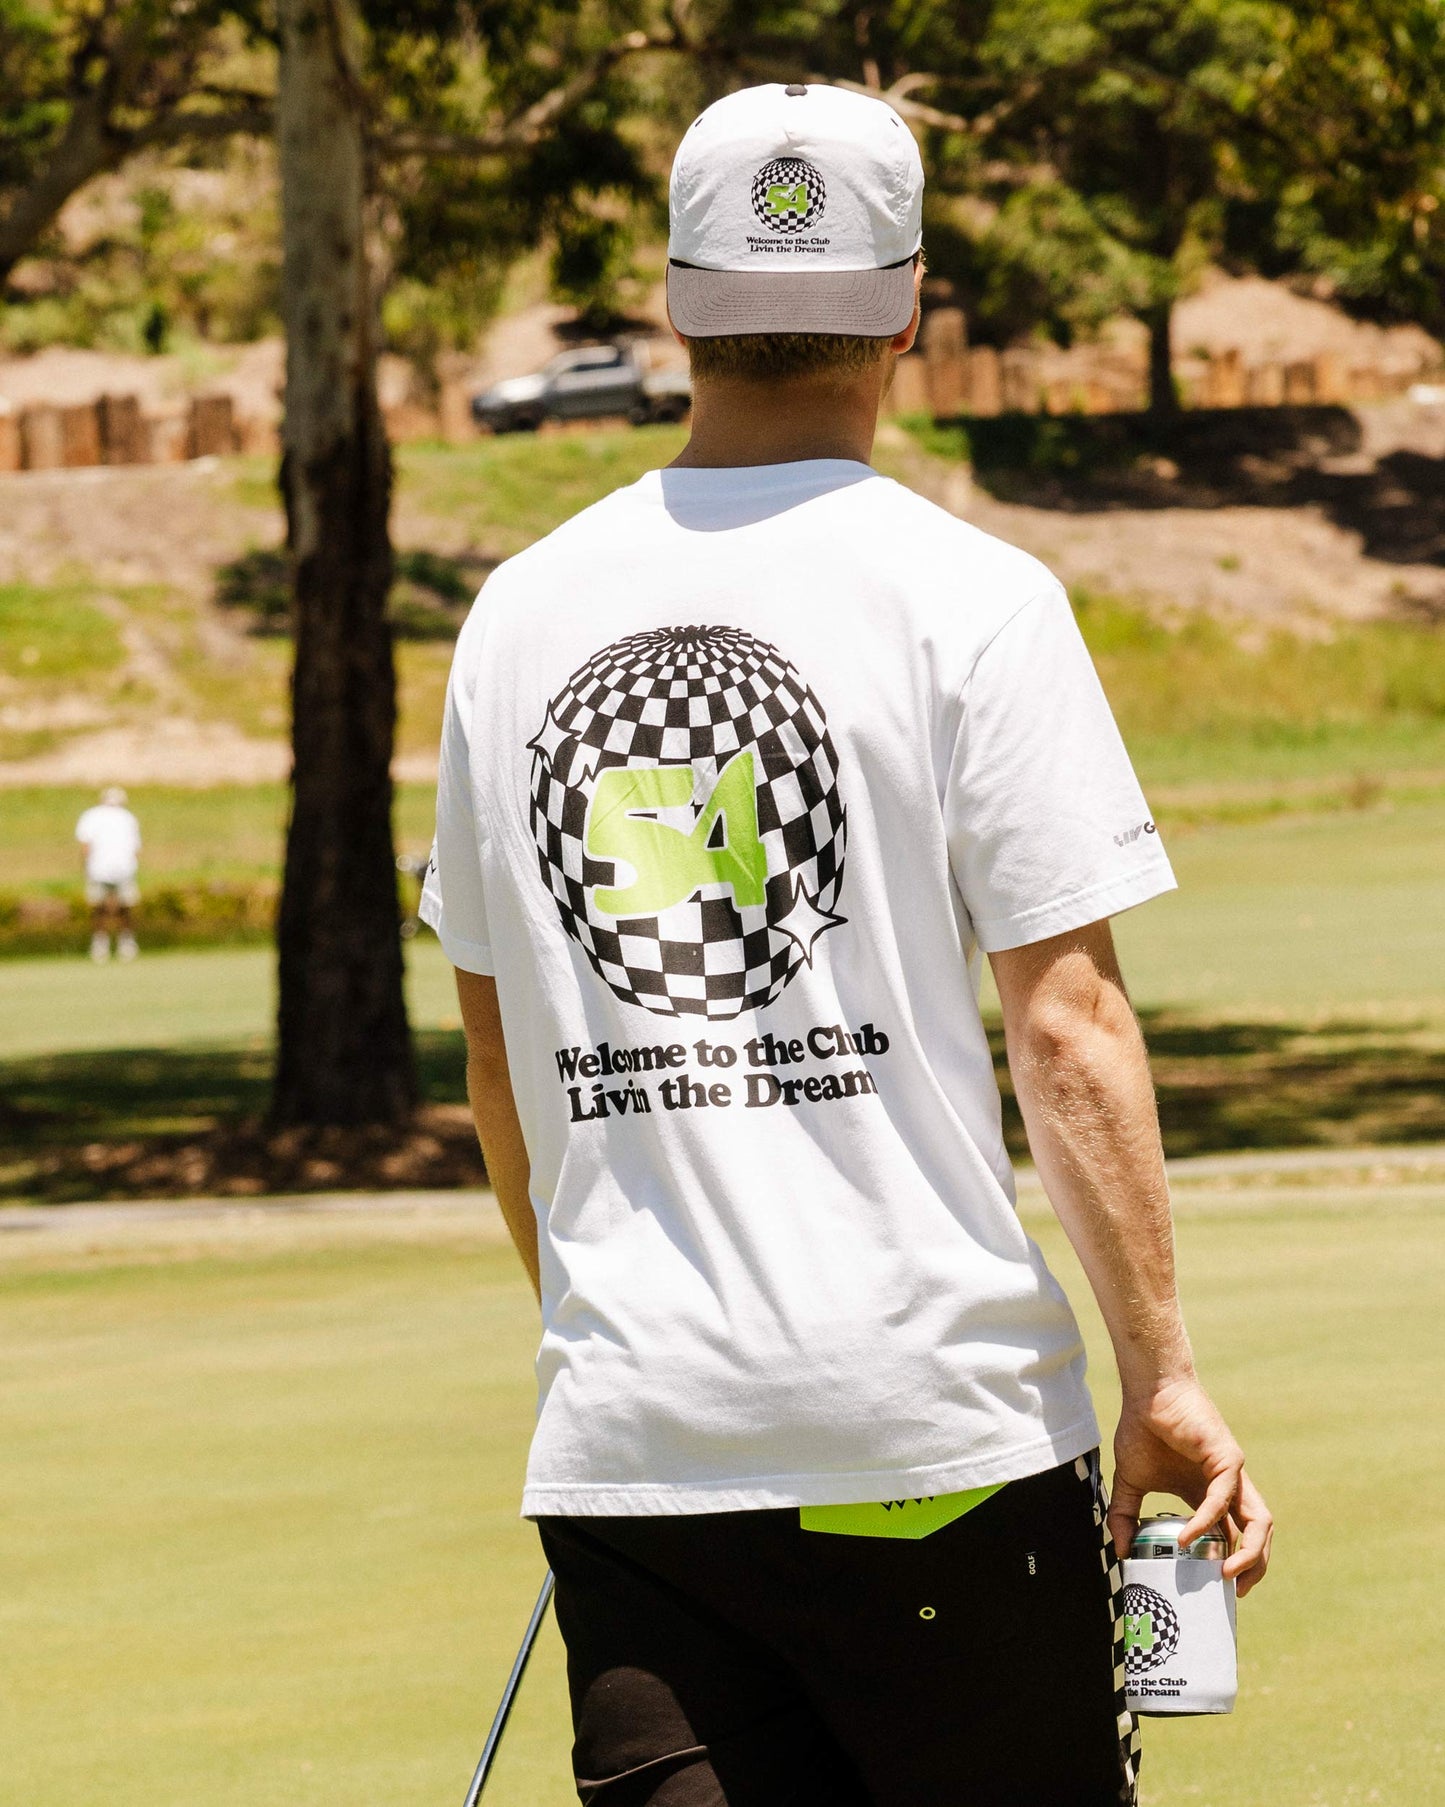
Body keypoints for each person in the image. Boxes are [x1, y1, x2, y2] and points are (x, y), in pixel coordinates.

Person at [423, 82, 1272, 1807]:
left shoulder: (513, 614)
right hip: (935, 1441)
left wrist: (627, 1330)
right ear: (908, 310)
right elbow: (1068, 1029)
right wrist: (1162, 1370)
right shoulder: (977, 596)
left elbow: (497, 1055)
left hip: (638, 1452)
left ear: (676, 306)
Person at [76, 786, 141, 963]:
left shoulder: (91, 815)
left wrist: (85, 867)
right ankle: (126, 944)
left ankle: (100, 945)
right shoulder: (128, 817)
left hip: (98, 869)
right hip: (124, 868)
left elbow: (85, 846)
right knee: (125, 908)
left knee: (99, 908)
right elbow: (136, 848)